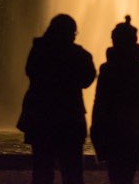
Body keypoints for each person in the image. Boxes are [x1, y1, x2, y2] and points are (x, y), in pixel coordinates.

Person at [17, 13, 96, 184]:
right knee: (72, 171)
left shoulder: (38, 51)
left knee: (42, 170)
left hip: (41, 118)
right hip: (69, 118)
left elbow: (30, 72)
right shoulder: (78, 55)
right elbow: (87, 79)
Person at [91, 15, 139, 184]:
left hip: (113, 131)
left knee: (117, 176)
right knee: (126, 176)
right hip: (134, 131)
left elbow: (100, 102)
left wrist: (96, 129)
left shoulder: (109, 68)